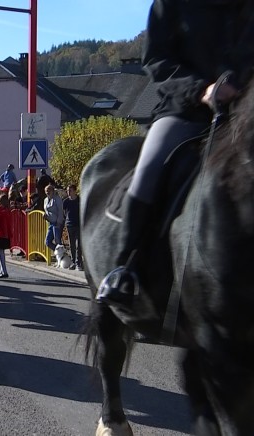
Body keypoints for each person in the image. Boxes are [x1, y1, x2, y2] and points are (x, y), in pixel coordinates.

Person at [98, 0, 254, 309]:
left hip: (244, 114)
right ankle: (125, 268)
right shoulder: (171, 4)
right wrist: (202, 89)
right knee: (149, 170)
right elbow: (158, 60)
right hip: (185, 111)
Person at [63, 184, 83, 271]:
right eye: (67, 191)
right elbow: (64, 213)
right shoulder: (66, 201)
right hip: (70, 224)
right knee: (72, 245)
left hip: (79, 224)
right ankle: (73, 262)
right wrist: (66, 221)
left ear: (75, 191)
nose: (68, 192)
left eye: (70, 190)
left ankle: (79, 262)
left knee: (79, 244)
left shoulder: (80, 200)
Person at [43, 184, 64, 253]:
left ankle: (61, 257)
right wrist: (45, 215)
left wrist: (59, 222)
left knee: (58, 241)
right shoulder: (45, 200)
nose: (47, 192)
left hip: (57, 222)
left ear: (53, 191)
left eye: (49, 190)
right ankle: (60, 253)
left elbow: (60, 210)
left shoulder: (57, 198)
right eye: (46, 191)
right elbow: (46, 210)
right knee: (47, 242)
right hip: (50, 223)